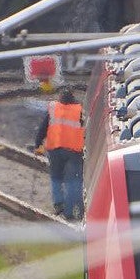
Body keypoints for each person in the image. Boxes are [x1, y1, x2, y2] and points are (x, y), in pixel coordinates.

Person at [32, 87, 86, 220]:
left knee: (56, 178)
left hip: (55, 149)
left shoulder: (53, 109)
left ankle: (59, 205)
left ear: (60, 98)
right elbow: (84, 129)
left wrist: (37, 144)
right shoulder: (78, 110)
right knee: (74, 180)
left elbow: (42, 129)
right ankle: (75, 209)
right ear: (73, 99)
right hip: (73, 151)